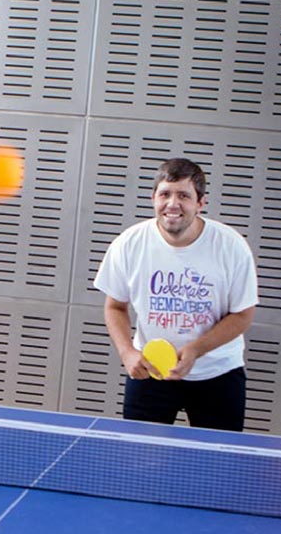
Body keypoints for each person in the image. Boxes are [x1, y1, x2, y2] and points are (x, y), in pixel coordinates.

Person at [94, 157, 259, 432]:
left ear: (200, 203)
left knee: (218, 466)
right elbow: (115, 307)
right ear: (153, 198)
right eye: (165, 194)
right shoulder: (129, 243)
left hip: (218, 373)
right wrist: (126, 352)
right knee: (139, 463)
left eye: (184, 195)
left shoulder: (231, 246)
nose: (173, 204)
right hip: (152, 372)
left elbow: (243, 315)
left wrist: (195, 350)